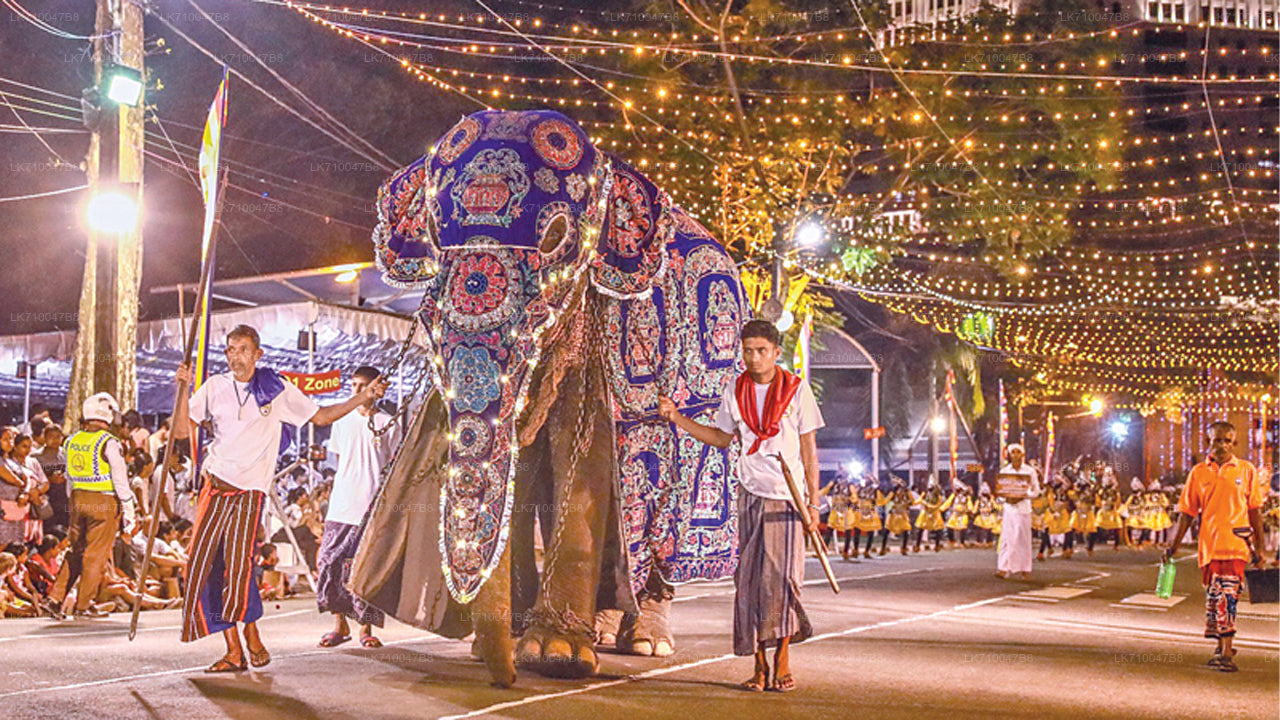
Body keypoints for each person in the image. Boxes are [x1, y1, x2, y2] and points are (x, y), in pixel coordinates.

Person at [172, 324, 386, 673]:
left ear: (257, 354)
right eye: (230, 349)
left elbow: (322, 417)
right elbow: (182, 431)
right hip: (214, 486)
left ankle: (252, 635)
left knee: (238, 571)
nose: (235, 356)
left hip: (250, 492)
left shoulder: (276, 389)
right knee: (201, 567)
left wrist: (363, 397)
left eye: (243, 349)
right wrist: (181, 390)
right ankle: (233, 648)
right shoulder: (214, 387)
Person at [657, 319, 823, 693]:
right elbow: (720, 438)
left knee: (781, 583)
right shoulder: (736, 389)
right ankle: (758, 665)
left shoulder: (797, 391)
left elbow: (810, 450)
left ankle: (782, 658)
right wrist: (677, 419)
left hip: (787, 499)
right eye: (747, 350)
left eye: (761, 350)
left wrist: (814, 504)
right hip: (749, 494)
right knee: (748, 582)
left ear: (777, 352)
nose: (753, 357)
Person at [1164, 421, 1266, 673]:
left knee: (1228, 596)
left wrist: (1260, 548)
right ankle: (1222, 645)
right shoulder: (1198, 473)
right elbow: (1187, 513)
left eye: (1226, 441)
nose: (1220, 445)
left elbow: (1255, 511)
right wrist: (1173, 544)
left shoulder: (1246, 470)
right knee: (1215, 596)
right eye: (1216, 440)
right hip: (1209, 546)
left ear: (1234, 443)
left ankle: (1227, 651)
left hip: (1237, 544)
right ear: (1208, 441)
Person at [316, 366, 398, 649]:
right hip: (341, 506)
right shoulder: (341, 421)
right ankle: (339, 625)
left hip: (372, 507)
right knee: (330, 564)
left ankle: (366, 629)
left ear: (378, 387)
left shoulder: (389, 422)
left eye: (364, 385)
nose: (359, 390)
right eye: (354, 385)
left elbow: (393, 465)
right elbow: (340, 463)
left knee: (366, 569)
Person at [47, 393, 138, 619]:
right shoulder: (109, 443)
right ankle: (83, 605)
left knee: (76, 551)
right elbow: (121, 481)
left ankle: (54, 598)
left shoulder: (71, 441)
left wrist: (73, 503)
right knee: (95, 555)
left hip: (77, 500)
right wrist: (129, 514)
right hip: (103, 502)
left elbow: (69, 476)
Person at [994, 443, 1041, 579]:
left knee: (1022, 539)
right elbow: (1000, 493)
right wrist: (1006, 499)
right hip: (1009, 509)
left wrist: (1023, 495)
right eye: (1012, 452)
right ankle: (1003, 567)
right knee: (1007, 538)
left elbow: (1036, 490)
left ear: (1022, 454)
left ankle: (1025, 568)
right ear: (1009, 454)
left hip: (1023, 508)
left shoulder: (1029, 471)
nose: (1015, 454)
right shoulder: (1005, 471)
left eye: (1017, 452)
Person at [35, 424, 70, 529]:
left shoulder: (67, 454)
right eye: (52, 436)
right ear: (44, 438)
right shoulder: (36, 457)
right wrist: (50, 479)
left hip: (65, 499)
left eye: (58, 436)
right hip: (47, 500)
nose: (55, 440)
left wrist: (65, 476)